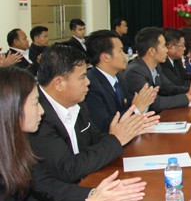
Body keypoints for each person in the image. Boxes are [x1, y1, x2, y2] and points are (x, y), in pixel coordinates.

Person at [0, 67, 147, 201]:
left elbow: (46, 185)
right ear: (12, 108)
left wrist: (95, 194)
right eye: (36, 103)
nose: (42, 111)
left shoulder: (17, 141)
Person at [30, 44, 158, 183]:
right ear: (59, 83)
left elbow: (95, 139)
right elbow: (67, 169)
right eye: (82, 77)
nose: (88, 82)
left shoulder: (78, 104)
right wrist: (115, 140)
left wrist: (126, 133)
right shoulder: (37, 116)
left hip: (88, 180)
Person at [85, 30, 158, 132]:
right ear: (106, 57)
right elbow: (105, 126)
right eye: (120, 51)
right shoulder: (90, 85)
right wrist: (136, 109)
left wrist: (144, 103)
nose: (125, 55)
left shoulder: (119, 77)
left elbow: (128, 107)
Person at [124, 27, 191, 112]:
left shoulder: (156, 67)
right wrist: (190, 95)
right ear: (152, 51)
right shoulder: (135, 72)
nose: (166, 50)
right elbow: (155, 103)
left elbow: (169, 88)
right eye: (163, 46)